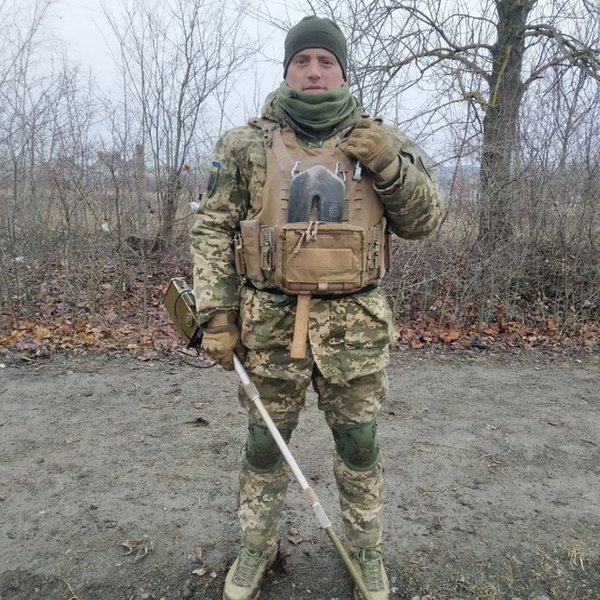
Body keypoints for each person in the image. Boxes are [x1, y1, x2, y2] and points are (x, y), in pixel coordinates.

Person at [190, 15, 444, 600]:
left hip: (355, 328)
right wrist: (217, 316)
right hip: (269, 324)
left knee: (360, 443)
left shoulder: (381, 139)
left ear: (342, 72)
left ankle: (365, 550)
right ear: (287, 70)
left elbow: (426, 222)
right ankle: (257, 547)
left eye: (325, 61)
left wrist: (389, 166)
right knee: (264, 444)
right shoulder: (245, 145)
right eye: (301, 60)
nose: (313, 71)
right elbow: (212, 230)